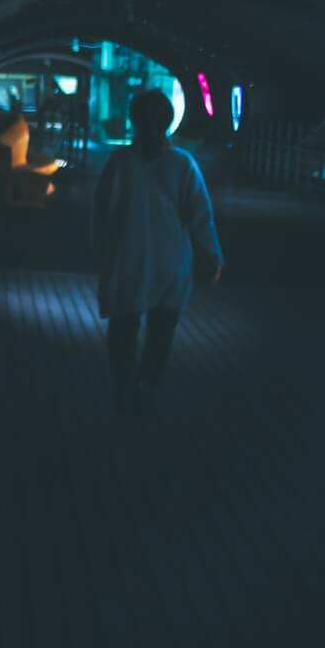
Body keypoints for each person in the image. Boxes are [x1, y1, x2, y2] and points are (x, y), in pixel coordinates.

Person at [90, 90, 224, 411]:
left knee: (123, 326)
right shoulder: (183, 164)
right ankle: (147, 386)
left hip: (127, 258)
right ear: (168, 120)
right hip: (171, 260)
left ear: (134, 120)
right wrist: (212, 255)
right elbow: (199, 216)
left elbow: (103, 213)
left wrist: (99, 252)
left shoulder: (120, 162)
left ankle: (123, 386)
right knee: (162, 330)